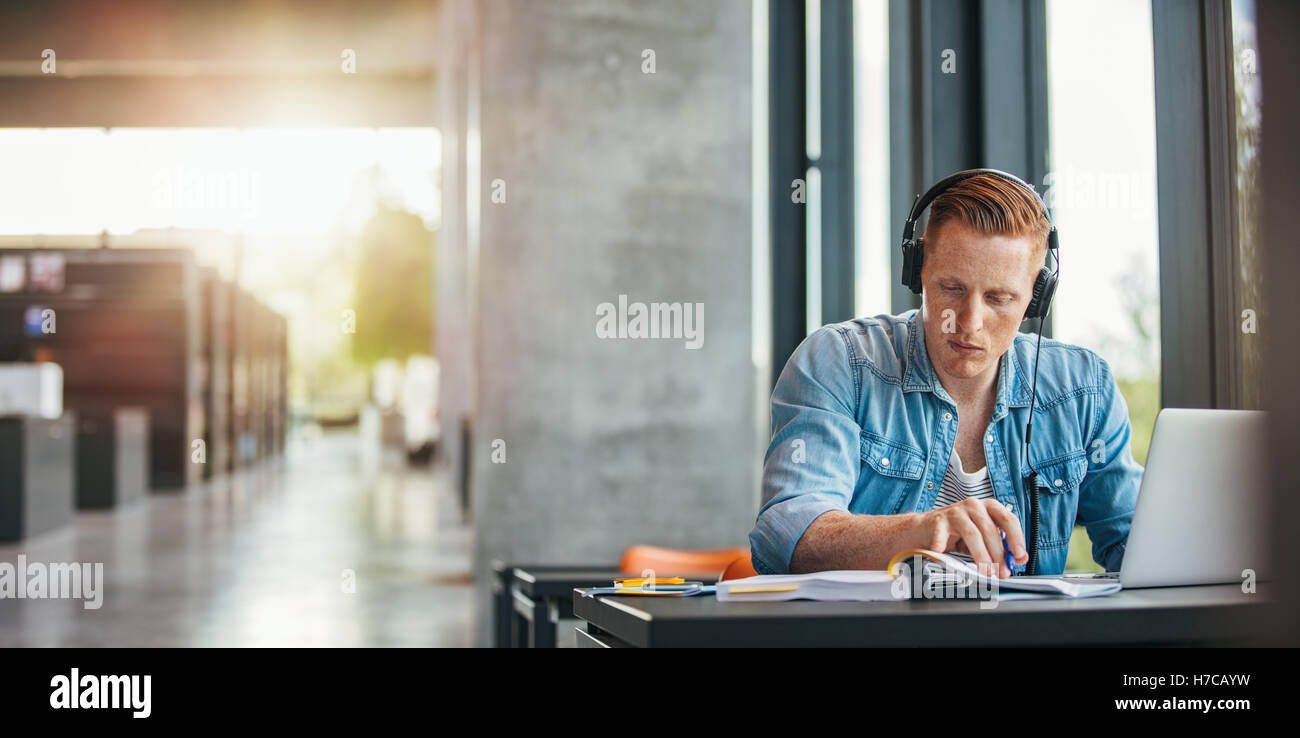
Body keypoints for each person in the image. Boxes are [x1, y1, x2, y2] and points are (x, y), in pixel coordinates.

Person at [749, 170, 1143, 579]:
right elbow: (787, 536)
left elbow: (1138, 540)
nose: (970, 322)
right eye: (952, 288)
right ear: (918, 272)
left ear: (1035, 298)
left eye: (999, 298)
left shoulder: (1083, 389)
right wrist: (920, 532)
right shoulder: (839, 363)